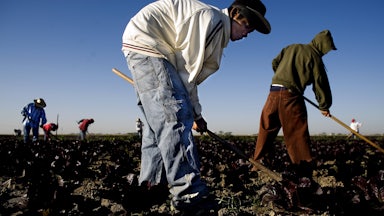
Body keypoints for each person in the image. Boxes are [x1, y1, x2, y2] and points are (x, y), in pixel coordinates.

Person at [121, 0, 271, 213]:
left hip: (142, 46)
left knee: (155, 126)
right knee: (174, 119)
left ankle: (151, 186)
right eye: (248, 26)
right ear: (236, 13)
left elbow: (187, 76)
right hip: (151, 47)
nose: (248, 33)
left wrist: (195, 114)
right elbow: (187, 73)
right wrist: (193, 114)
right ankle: (190, 195)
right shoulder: (212, 20)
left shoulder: (214, 26)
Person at [252, 30, 337, 177]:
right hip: (290, 98)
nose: (325, 53)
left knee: (267, 128)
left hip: (273, 93)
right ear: (322, 45)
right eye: (327, 49)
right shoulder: (314, 56)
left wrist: (284, 77)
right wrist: (324, 106)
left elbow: (275, 63)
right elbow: (320, 84)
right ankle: (304, 171)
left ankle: (257, 164)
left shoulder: (291, 47)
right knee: (297, 133)